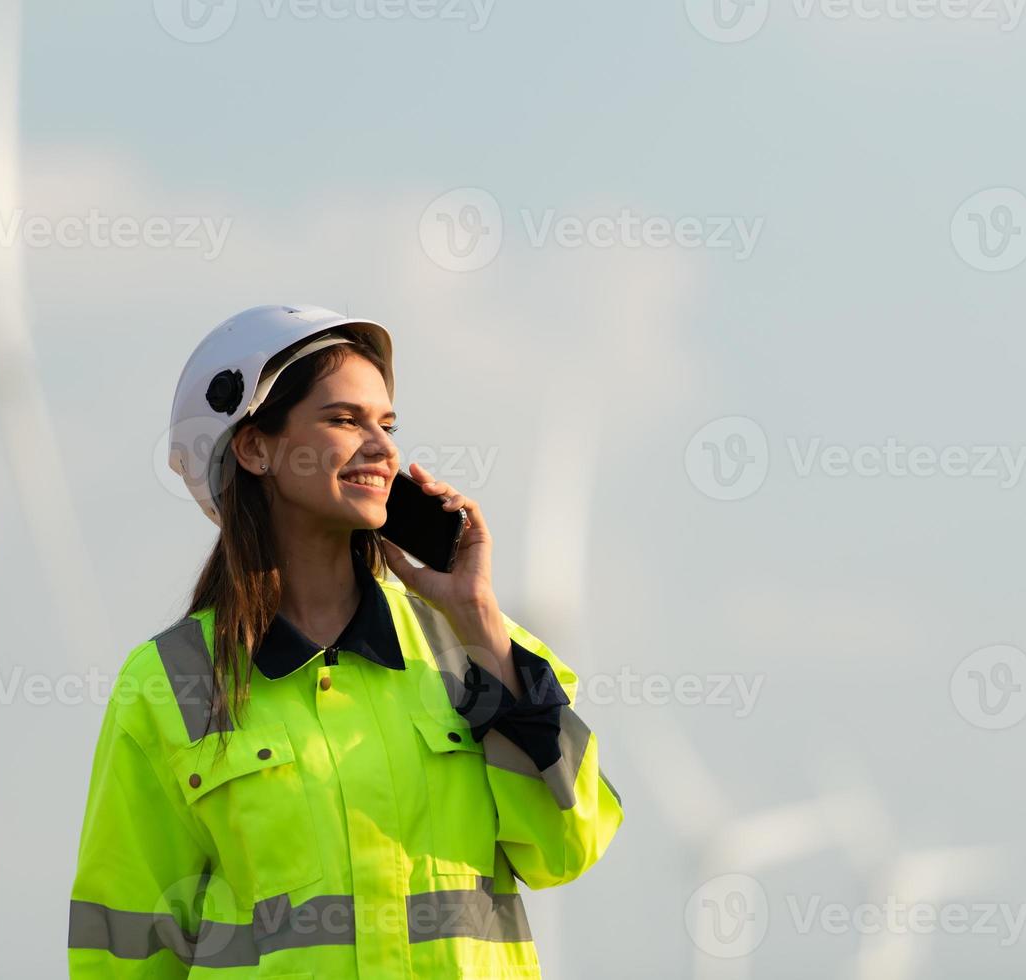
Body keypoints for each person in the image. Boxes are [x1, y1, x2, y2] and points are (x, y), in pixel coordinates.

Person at [66, 304, 625, 978]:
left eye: (387, 425)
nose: (384, 448)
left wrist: (478, 617)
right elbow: (126, 945)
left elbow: (569, 847)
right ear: (255, 447)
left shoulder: (477, 649)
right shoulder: (168, 681)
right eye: (343, 420)